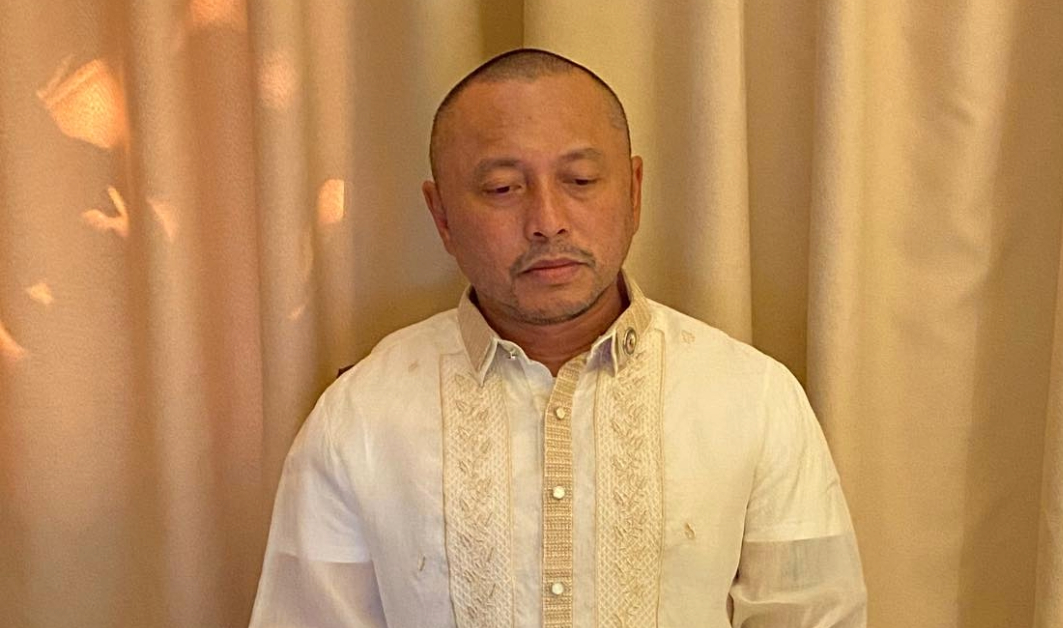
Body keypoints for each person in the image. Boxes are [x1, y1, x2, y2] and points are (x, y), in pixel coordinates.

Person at [248, 48, 866, 628]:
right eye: (502, 188)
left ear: (634, 191)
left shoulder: (753, 397)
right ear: (442, 217)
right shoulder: (359, 417)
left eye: (581, 179)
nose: (547, 222)